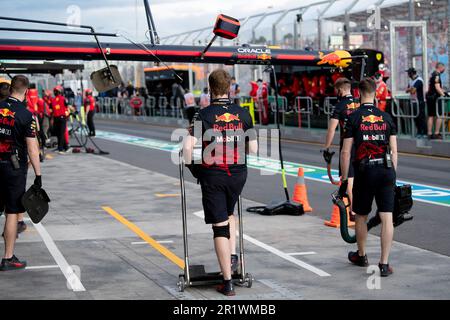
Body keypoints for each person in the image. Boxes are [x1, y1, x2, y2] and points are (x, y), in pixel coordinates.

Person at [183, 69, 258, 296]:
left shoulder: (202, 114)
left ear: (210, 89)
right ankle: (233, 256)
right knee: (229, 212)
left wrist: (194, 168)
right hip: (239, 174)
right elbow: (253, 149)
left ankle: (227, 282)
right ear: (230, 88)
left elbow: (187, 148)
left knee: (219, 227)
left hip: (214, 174)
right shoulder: (244, 113)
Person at [340, 78, 398, 277]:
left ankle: (362, 255)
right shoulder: (387, 117)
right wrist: (393, 175)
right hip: (386, 170)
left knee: (361, 215)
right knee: (387, 217)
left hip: (364, 172)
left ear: (358, 94)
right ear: (375, 94)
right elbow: (395, 151)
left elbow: (346, 152)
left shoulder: (354, 117)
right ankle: (384, 263)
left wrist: (345, 177)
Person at [0, 75, 42, 271]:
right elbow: (33, 149)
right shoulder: (26, 115)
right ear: (25, 91)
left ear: (10, 90)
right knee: (11, 212)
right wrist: (38, 176)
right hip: (13, 168)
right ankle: (8, 258)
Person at [324, 78, 359, 218]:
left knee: (349, 179)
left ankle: (354, 210)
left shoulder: (339, 106)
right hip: (363, 144)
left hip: (347, 145)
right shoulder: (359, 102)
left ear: (340, 90)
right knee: (360, 178)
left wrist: (326, 147)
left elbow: (331, 129)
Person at [426, 62, 446, 139]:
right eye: (443, 68)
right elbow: (437, 87)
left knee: (430, 116)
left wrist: (442, 90)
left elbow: (431, 87)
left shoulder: (432, 74)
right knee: (439, 115)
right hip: (435, 98)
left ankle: (429, 133)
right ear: (440, 68)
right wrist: (443, 95)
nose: (444, 70)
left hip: (430, 98)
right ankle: (437, 133)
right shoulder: (437, 75)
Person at [406, 68, 427, 138]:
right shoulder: (411, 81)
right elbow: (407, 90)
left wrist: (411, 89)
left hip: (419, 102)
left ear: (412, 73)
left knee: (421, 118)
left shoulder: (419, 80)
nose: (408, 75)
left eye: (409, 73)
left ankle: (424, 133)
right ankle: (419, 132)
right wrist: (411, 88)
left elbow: (413, 91)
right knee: (416, 118)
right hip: (413, 102)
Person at [51, 86, 69, 153]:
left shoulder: (52, 100)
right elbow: (67, 107)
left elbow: (51, 110)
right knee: (62, 133)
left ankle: (63, 146)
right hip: (62, 118)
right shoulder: (63, 99)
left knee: (59, 134)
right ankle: (61, 148)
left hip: (56, 118)